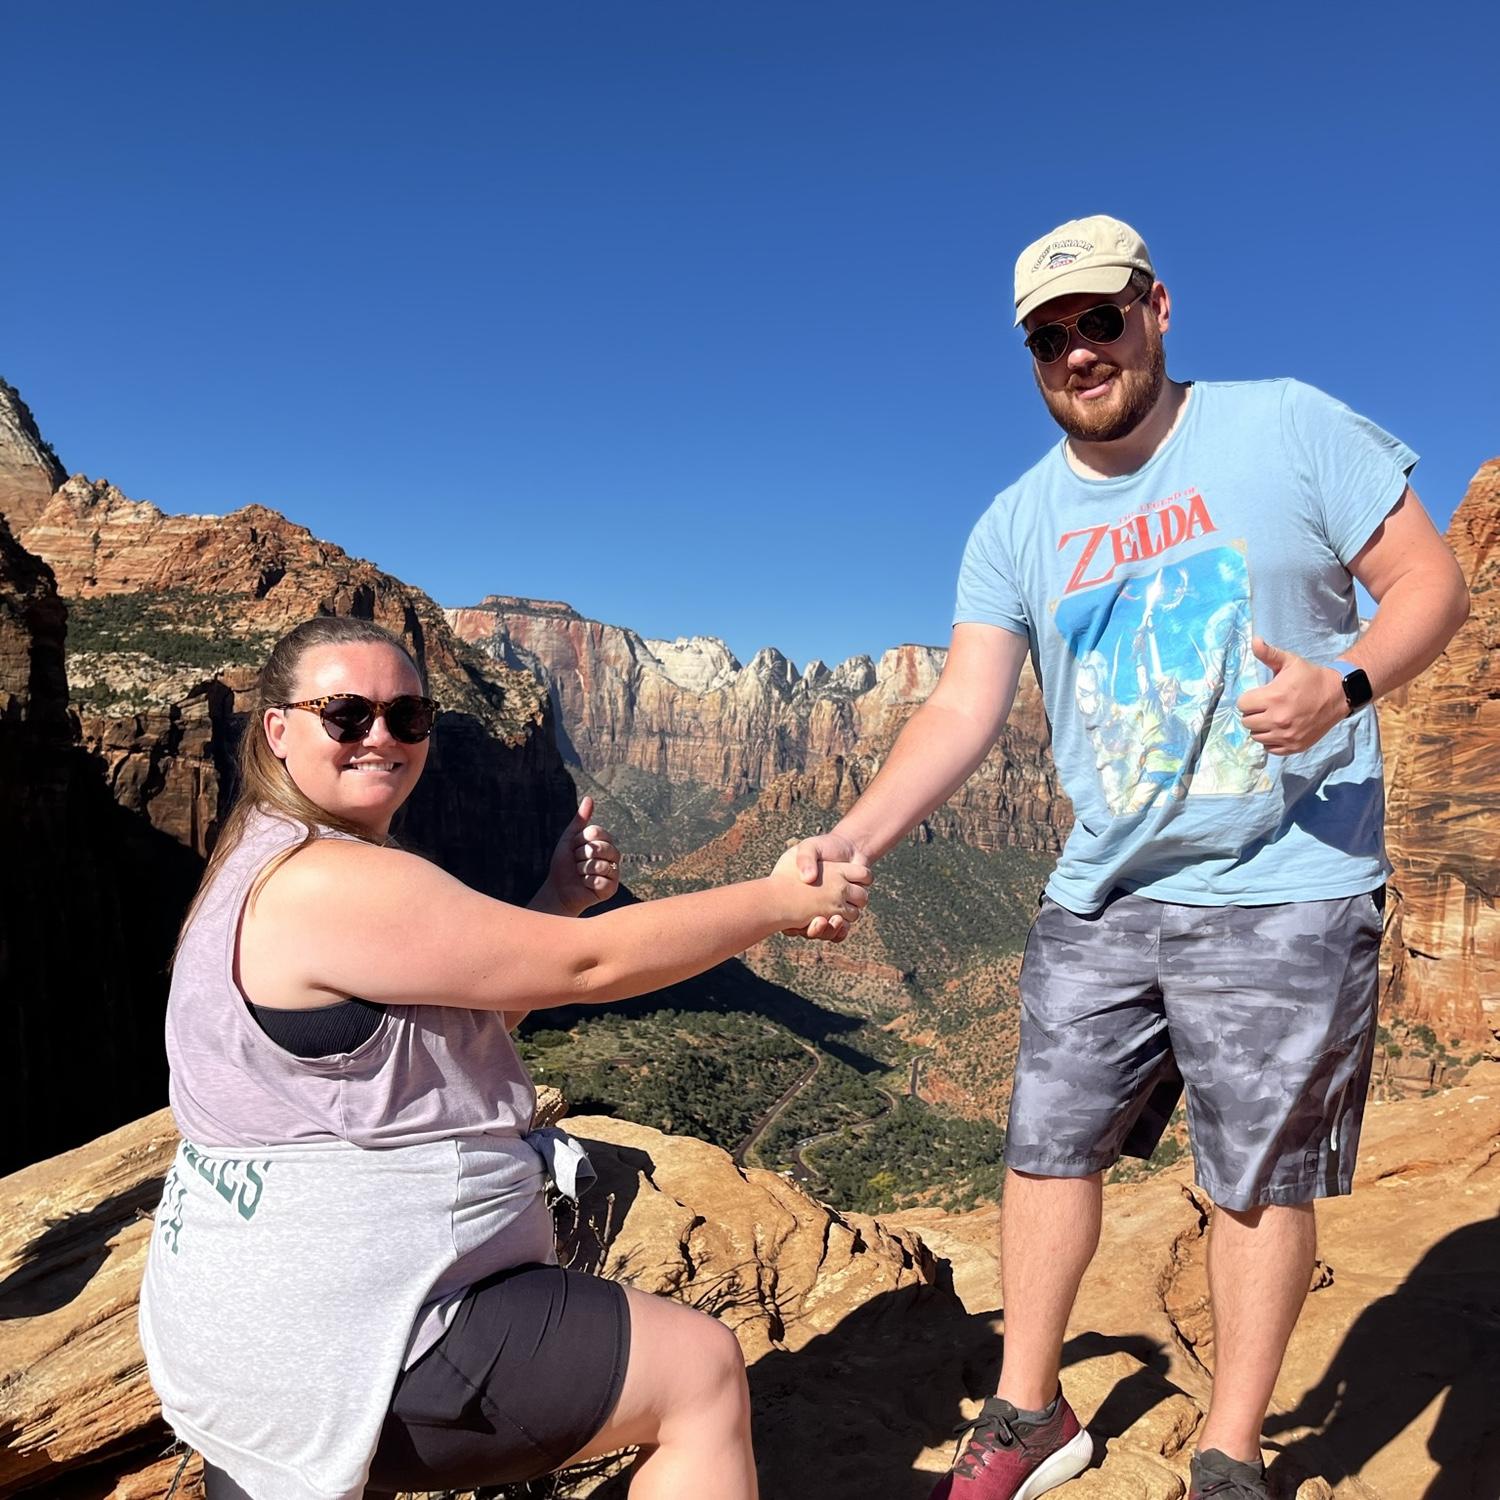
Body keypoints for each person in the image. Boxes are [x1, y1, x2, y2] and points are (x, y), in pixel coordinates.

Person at [790, 214, 1470, 1500]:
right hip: (1099, 889)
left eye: (1098, 320)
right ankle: (1028, 1409)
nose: (1077, 353)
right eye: (1047, 338)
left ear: (1156, 306)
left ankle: (1227, 1451)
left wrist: (1348, 684)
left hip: (1286, 882)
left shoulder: (1287, 428)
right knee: (1047, 1145)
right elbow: (961, 708)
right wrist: (852, 839)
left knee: (1256, 1176)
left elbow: (1432, 585)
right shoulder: (1016, 523)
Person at [139, 614, 870, 1500]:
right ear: (278, 729)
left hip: (247, 1321)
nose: (383, 737)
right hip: (348, 1335)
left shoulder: (258, 858)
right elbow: (588, 967)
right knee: (702, 1371)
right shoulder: (333, 881)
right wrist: (778, 900)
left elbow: (457, 1019)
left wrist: (557, 898)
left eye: (409, 718)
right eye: (346, 715)